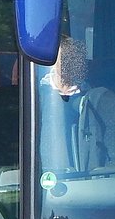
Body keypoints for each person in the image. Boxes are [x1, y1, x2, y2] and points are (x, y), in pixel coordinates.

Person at [38, 37, 89, 173]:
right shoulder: (37, 94)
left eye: (71, 58)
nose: (65, 63)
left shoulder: (91, 97)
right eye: (62, 58)